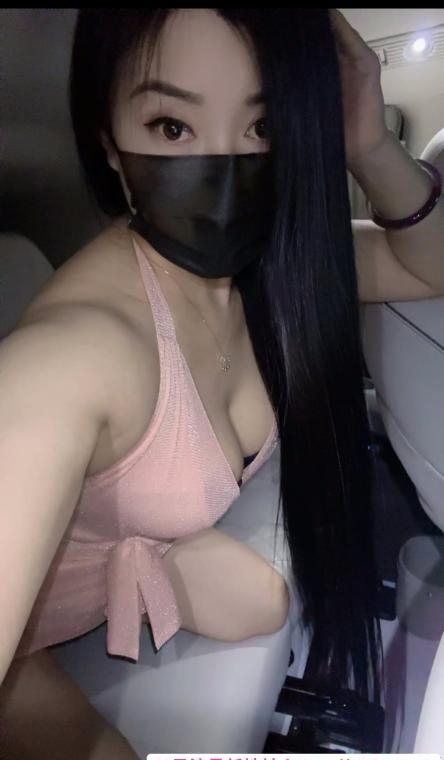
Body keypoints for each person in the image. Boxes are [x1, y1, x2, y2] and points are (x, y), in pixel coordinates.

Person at [1, 8, 443, 759]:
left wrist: (369, 145)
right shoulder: (70, 360)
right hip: (25, 651)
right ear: (109, 145)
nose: (224, 167)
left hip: (136, 554)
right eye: (172, 126)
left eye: (263, 126)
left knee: (266, 603)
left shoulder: (268, 269)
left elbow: (431, 266)